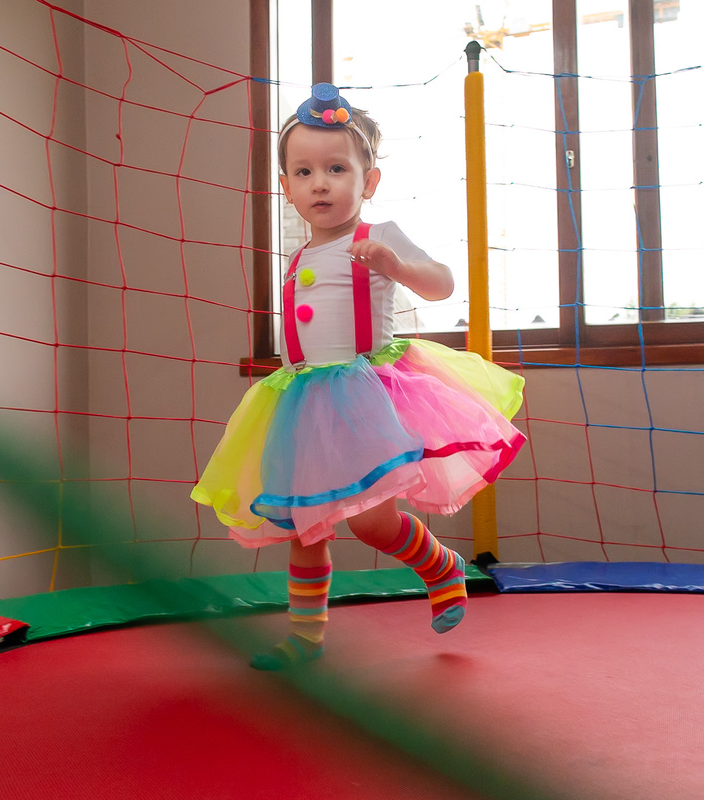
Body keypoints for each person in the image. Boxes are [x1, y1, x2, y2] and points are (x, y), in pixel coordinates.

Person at [191, 83, 526, 670]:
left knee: (373, 522)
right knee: (304, 526)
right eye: (304, 171)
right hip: (302, 402)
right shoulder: (295, 260)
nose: (320, 182)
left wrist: (396, 266)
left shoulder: (375, 237)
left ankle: (439, 565)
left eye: (336, 168)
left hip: (365, 397)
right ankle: (305, 636)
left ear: (368, 182)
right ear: (287, 188)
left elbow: (443, 282)